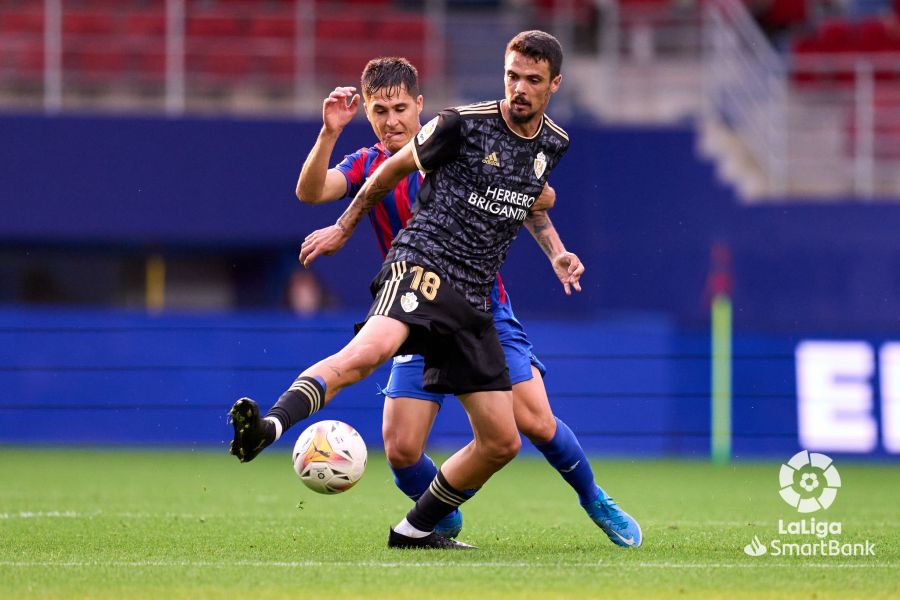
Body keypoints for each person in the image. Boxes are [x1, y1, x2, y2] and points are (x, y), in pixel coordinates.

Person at [230, 30, 632, 550]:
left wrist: (556, 250)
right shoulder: (386, 155)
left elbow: (531, 193)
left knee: (527, 424)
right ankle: (420, 513)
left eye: (400, 108)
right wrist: (331, 145)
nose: (391, 121)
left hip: (480, 299)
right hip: (417, 286)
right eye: (379, 111)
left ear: (418, 105)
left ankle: (591, 496)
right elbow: (311, 191)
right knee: (397, 443)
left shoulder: (488, 138)